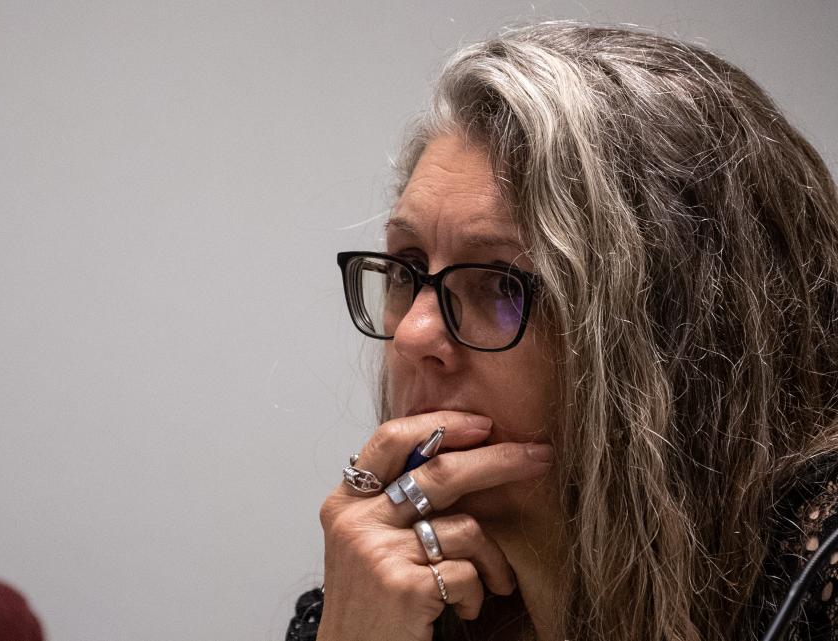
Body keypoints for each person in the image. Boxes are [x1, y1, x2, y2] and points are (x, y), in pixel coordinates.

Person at [287, 21, 838, 641]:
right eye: (408, 270)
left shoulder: (818, 578)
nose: (413, 335)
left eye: (501, 282)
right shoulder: (377, 600)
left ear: (672, 333)